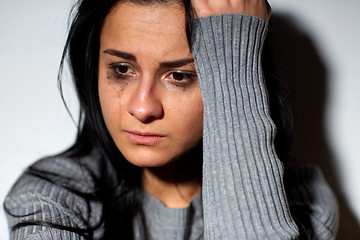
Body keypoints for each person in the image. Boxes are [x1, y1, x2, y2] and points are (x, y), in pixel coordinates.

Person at [4, 0, 339, 239]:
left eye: (179, 75)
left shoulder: (301, 200)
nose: (143, 107)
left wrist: (232, 45)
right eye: (122, 70)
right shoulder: (53, 195)